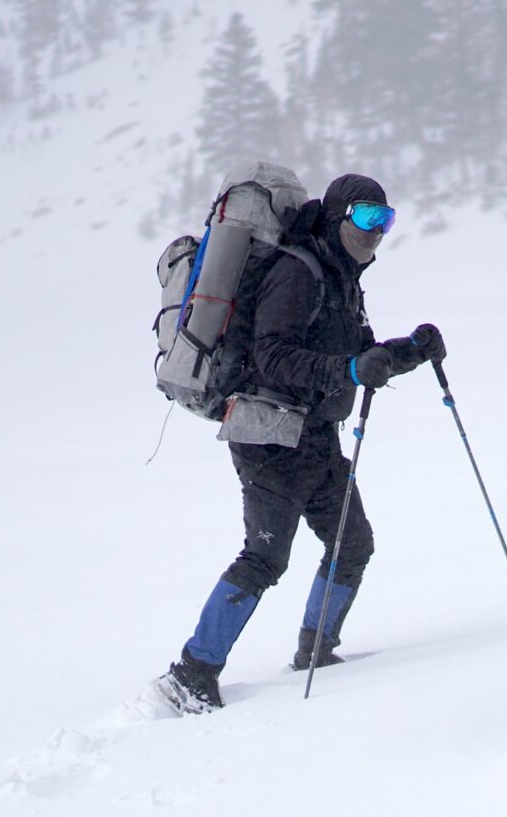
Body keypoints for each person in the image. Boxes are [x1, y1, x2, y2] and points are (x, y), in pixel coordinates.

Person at [159, 173, 445, 713]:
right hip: (268, 434)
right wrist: (350, 368)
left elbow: (358, 357)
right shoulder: (298, 272)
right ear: (337, 217)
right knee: (266, 556)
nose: (375, 231)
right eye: (365, 217)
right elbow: (273, 355)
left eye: (385, 220)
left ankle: (316, 653)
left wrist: (408, 352)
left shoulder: (342, 277)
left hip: (313, 435)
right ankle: (191, 672)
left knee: (352, 543)